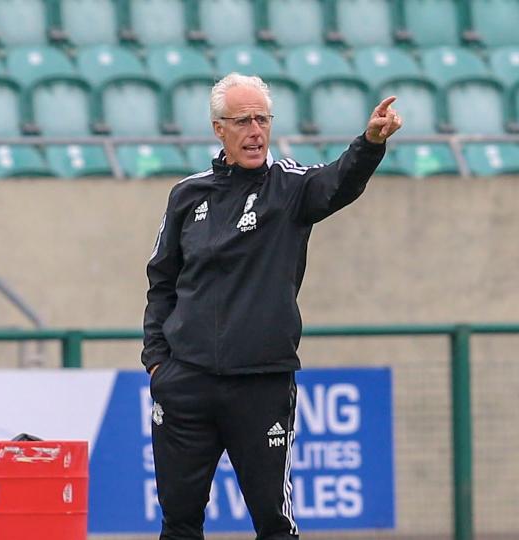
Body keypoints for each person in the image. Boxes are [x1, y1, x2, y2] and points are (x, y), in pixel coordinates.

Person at [142, 72, 402, 539]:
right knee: (179, 522)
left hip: (260, 384)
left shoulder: (291, 187)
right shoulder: (187, 195)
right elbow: (161, 281)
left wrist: (369, 144)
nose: (256, 131)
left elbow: (339, 182)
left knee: (273, 521)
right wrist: (158, 362)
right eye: (243, 120)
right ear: (219, 129)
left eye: (263, 119)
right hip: (186, 384)